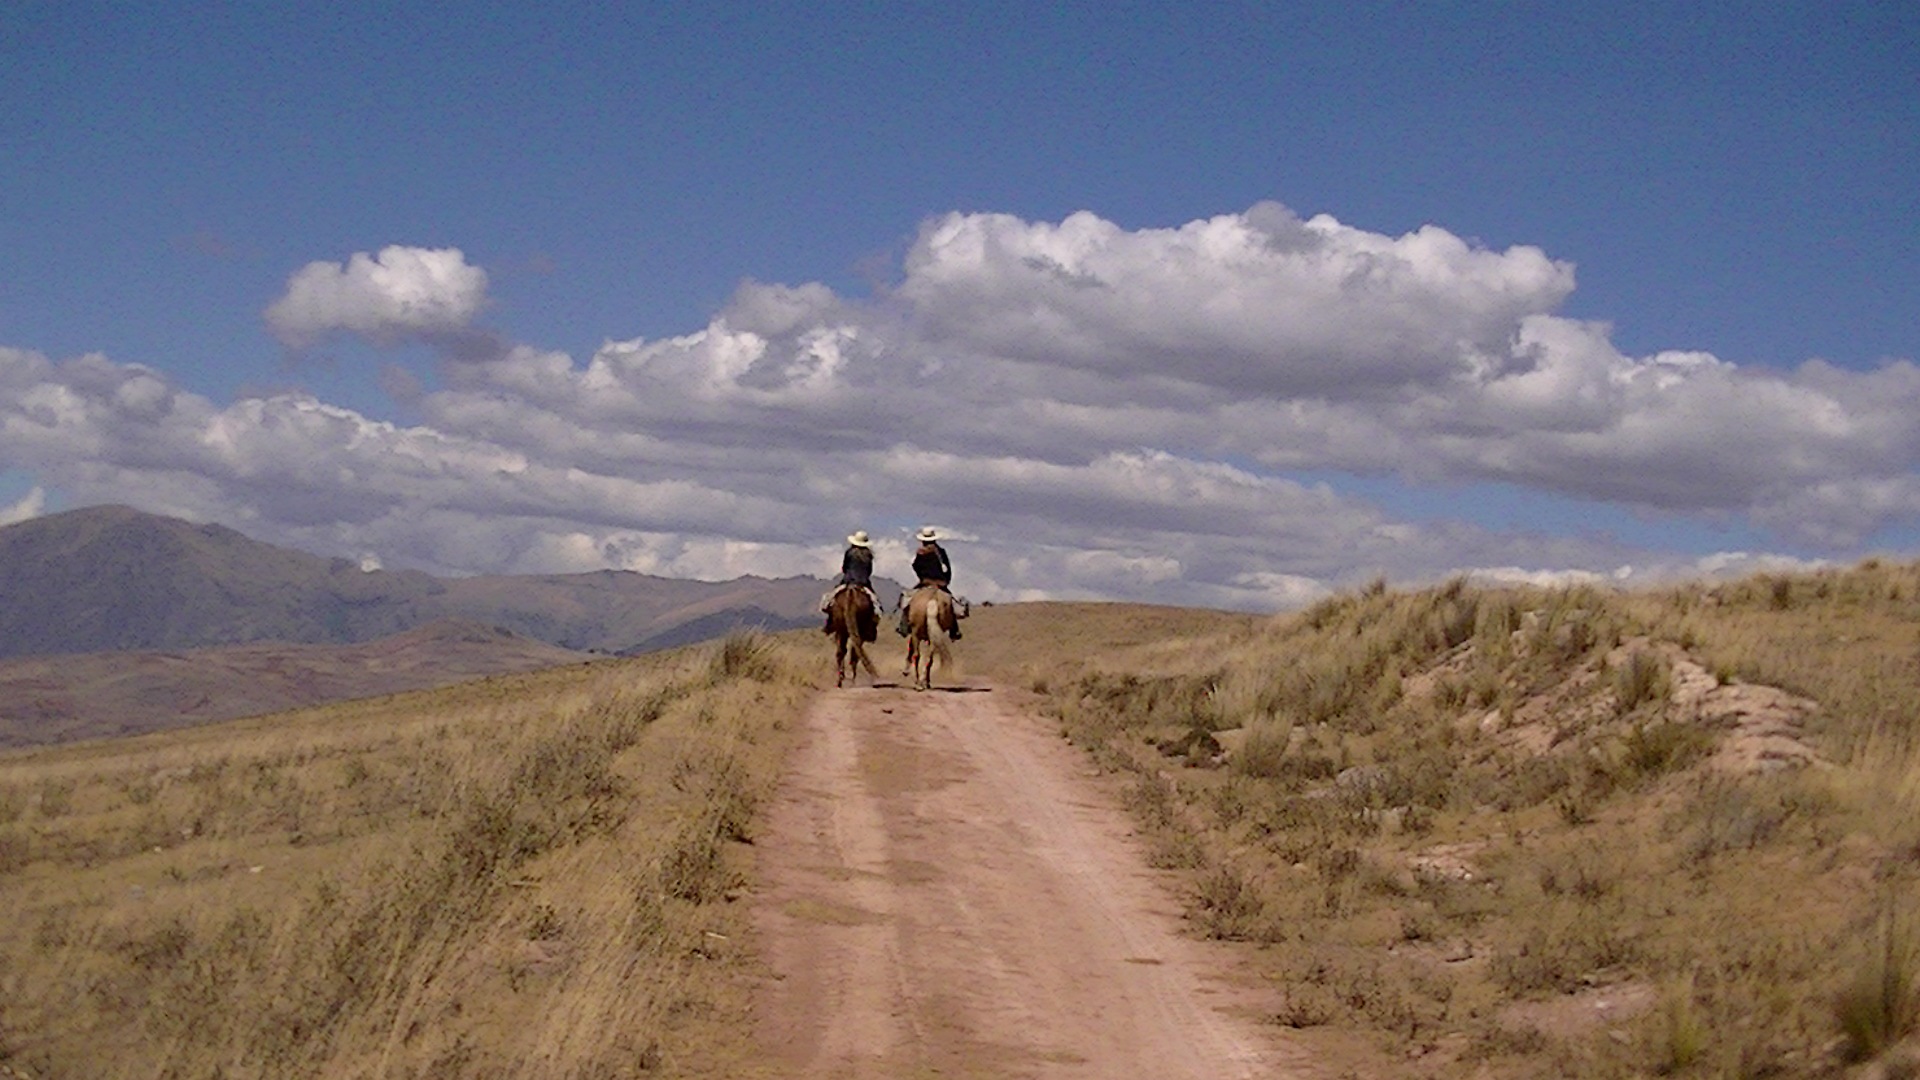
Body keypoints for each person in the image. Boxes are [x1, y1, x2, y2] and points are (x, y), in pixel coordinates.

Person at [898, 526, 959, 639]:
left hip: (925, 582)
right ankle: (954, 630)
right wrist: (945, 581)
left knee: (907, 601)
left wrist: (922, 577)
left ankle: (903, 626)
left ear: (922, 540)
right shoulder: (941, 552)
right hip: (941, 583)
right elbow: (948, 569)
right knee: (951, 604)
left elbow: (916, 566)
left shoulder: (921, 553)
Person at [822, 530, 876, 633]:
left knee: (829, 601)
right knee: (875, 605)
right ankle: (870, 628)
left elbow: (844, 568)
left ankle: (830, 623)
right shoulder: (868, 555)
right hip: (863, 583)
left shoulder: (849, 553)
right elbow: (869, 571)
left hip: (848, 581)